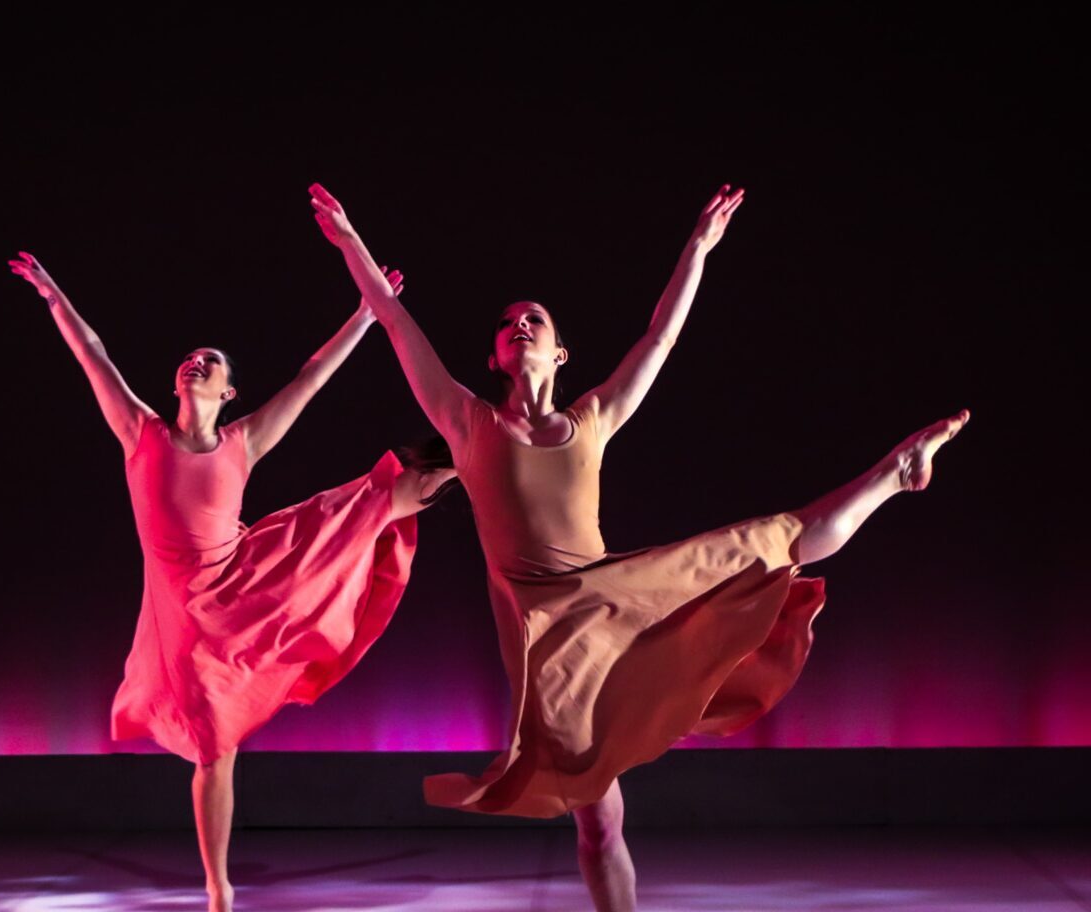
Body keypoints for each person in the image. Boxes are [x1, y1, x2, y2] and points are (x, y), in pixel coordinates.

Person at [309, 182, 967, 912]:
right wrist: (350, 243)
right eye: (507, 323)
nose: (520, 326)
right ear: (495, 357)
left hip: (611, 601)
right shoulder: (467, 424)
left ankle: (890, 476)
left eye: (536, 320)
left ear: (560, 352)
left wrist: (697, 249)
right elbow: (398, 323)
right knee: (597, 824)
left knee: (769, 543)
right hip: (546, 641)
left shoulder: (591, 419)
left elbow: (658, 340)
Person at [10, 250, 455, 912]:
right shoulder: (141, 433)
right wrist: (52, 294)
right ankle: (219, 886)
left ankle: (469, 463)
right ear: (176, 383)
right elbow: (94, 354)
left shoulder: (242, 441)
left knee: (357, 507)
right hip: (183, 614)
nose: (198, 364)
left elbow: (310, 377)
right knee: (214, 747)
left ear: (227, 393)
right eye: (191, 359)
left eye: (211, 364)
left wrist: (365, 316)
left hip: (244, 580)